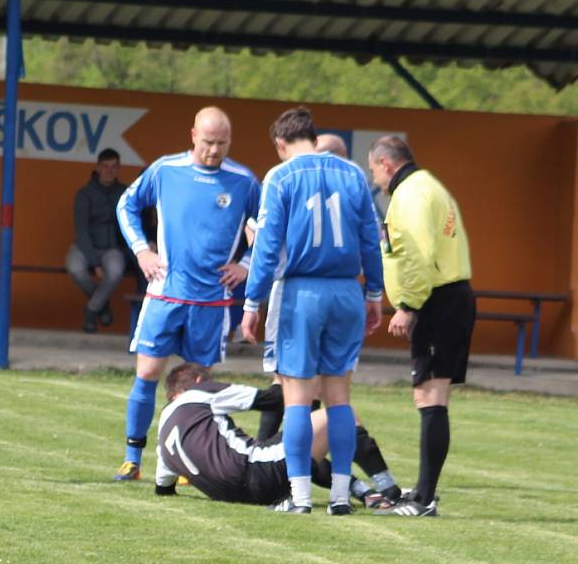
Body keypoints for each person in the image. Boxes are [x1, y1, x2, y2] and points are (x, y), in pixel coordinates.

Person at [242, 107, 384, 515]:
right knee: (339, 397)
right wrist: (374, 294)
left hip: (301, 292)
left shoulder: (280, 175)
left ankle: (300, 496)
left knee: (298, 399)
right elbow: (371, 239)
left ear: (282, 144)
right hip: (346, 292)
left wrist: (252, 303)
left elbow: (266, 248)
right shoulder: (354, 173)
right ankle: (340, 495)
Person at [113, 106, 260, 481]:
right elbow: (125, 205)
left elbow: (268, 229)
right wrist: (142, 251)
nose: (214, 150)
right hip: (166, 293)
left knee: (199, 383)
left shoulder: (243, 181)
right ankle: (133, 459)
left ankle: (188, 464)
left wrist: (246, 262)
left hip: (211, 301)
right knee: (146, 372)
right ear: (193, 134)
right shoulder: (165, 170)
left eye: (222, 143)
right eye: (208, 142)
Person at [368, 135, 475, 517]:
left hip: (436, 301)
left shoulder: (409, 194)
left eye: (375, 171)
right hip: (450, 296)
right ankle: (424, 491)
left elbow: (417, 253)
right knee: (431, 396)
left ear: (386, 165)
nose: (376, 180)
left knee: (431, 397)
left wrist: (408, 306)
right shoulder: (431, 185)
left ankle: (425, 499)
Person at [154, 363, 397, 507]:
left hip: (236, 496)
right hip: (257, 475)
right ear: (198, 380)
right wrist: (284, 371)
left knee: (294, 447)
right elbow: (272, 399)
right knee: (340, 415)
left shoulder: (163, 430)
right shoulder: (199, 392)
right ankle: (389, 489)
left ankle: (363, 491)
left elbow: (163, 488)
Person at [65, 148, 129, 333]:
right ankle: (102, 304)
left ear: (118, 169)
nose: (109, 170)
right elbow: (81, 230)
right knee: (74, 268)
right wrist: (95, 263)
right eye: (105, 166)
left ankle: (92, 310)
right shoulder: (85, 193)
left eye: (113, 167)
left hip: (112, 248)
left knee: (116, 271)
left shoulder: (125, 192)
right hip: (85, 246)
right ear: (98, 167)